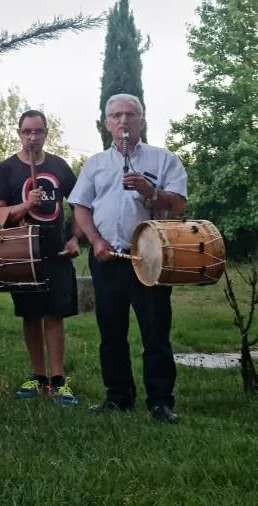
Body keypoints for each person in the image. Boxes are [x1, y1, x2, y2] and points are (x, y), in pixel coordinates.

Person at [70, 94, 188, 424]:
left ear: (142, 120)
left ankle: (161, 401)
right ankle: (118, 397)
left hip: (150, 258)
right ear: (106, 123)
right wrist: (94, 241)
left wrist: (150, 192)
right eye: (115, 115)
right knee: (111, 332)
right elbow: (80, 206)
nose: (123, 121)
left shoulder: (164, 159)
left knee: (155, 332)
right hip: (108, 258)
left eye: (130, 115)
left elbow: (179, 205)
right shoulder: (94, 164)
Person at [0, 110, 81, 405]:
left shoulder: (60, 167)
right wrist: (24, 205)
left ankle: (58, 379)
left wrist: (75, 237)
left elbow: (79, 206)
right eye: (27, 131)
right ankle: (38, 375)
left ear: (46, 133)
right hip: (23, 253)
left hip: (56, 251)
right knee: (31, 315)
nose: (32, 137)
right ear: (18, 133)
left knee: (55, 314)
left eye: (38, 131)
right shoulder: (7, 169)